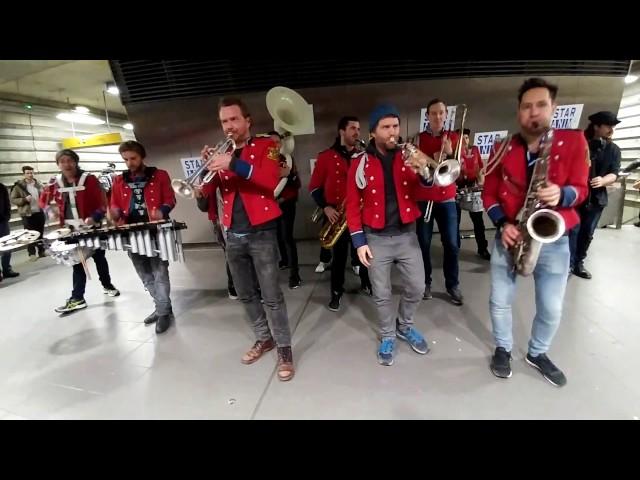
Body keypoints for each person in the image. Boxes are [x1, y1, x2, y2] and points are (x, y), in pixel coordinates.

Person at [482, 77, 589, 387]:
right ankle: (502, 348)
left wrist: (562, 194)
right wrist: (503, 224)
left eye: (541, 105)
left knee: (552, 308)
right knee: (499, 300)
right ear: (518, 112)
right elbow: (488, 194)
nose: (534, 113)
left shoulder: (573, 141)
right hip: (510, 235)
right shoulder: (504, 147)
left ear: (553, 108)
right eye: (527, 106)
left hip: (552, 240)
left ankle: (537, 353)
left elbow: (582, 190)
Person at [201, 97, 295, 381]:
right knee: (245, 293)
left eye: (234, 119)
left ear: (247, 120)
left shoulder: (267, 145)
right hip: (233, 233)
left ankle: (285, 350)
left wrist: (232, 162)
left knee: (272, 297)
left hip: (262, 232)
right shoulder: (222, 153)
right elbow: (211, 191)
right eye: (224, 121)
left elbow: (268, 180)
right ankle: (263, 338)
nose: (229, 126)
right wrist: (206, 171)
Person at [347, 104, 432, 366]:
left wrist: (426, 173)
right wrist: (359, 242)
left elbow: (428, 188)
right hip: (376, 237)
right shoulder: (360, 163)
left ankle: (404, 326)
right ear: (373, 133)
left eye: (395, 126)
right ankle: (387, 335)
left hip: (407, 235)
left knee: (418, 287)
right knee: (381, 293)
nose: (393, 132)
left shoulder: (410, 156)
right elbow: (352, 205)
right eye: (386, 127)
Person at [39, 149, 120, 313]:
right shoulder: (55, 182)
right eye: (62, 161)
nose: (66, 164)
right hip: (69, 230)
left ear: (76, 162)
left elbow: (103, 203)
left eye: (70, 161)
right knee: (77, 262)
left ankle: (107, 284)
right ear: (58, 164)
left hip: (92, 227)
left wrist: (94, 217)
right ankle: (78, 297)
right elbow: (43, 200)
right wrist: (48, 210)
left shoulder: (89, 179)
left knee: (99, 258)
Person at [110, 141, 176, 334]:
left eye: (133, 158)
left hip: (156, 231)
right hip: (131, 232)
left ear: (142, 157)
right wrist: (113, 213)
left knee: (160, 272)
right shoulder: (118, 180)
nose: (129, 163)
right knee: (144, 274)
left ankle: (163, 312)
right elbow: (114, 204)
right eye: (125, 159)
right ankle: (162, 306)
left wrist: (162, 211)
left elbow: (170, 199)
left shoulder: (160, 175)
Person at [308, 116, 372, 312]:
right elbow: (314, 187)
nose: (357, 132)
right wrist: (326, 207)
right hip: (337, 213)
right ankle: (336, 292)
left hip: (359, 213)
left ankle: (366, 283)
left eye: (358, 129)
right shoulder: (326, 156)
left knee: (364, 253)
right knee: (339, 257)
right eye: (352, 128)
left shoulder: (363, 156)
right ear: (341, 131)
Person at [416, 99, 463, 305]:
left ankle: (452, 285)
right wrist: (429, 160)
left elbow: (461, 171)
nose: (437, 117)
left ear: (446, 115)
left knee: (452, 244)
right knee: (423, 243)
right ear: (427, 116)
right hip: (425, 198)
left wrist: (450, 154)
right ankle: (425, 282)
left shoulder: (454, 137)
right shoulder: (418, 139)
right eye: (433, 113)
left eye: (441, 113)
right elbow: (415, 171)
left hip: (447, 198)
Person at [569, 111, 621, 279]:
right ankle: (568, 263)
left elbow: (614, 173)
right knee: (572, 231)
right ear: (596, 126)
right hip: (576, 197)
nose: (611, 130)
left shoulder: (614, 149)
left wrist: (603, 180)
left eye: (613, 127)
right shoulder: (580, 143)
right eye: (608, 126)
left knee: (587, 233)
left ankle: (578, 263)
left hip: (597, 199)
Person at [270, 131, 302, 289]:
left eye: (278, 142)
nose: (276, 145)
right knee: (277, 236)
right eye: (272, 142)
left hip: (286, 204)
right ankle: (284, 260)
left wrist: (290, 175)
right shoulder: (263, 161)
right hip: (270, 206)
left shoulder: (287, 160)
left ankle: (295, 274)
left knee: (287, 237)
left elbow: (296, 185)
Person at [455, 129, 491, 260]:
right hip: (457, 188)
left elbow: (481, 167)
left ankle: (483, 249)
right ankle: (455, 249)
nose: (465, 140)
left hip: (473, 187)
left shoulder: (475, 149)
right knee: (455, 222)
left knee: (478, 222)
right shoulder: (454, 152)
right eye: (461, 138)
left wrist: (481, 180)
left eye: (466, 137)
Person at [11, 166, 46, 260]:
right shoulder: (19, 186)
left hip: (39, 211)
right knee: (29, 235)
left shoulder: (38, 184)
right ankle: (32, 254)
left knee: (40, 232)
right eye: (28, 173)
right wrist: (24, 199)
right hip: (27, 213)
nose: (30, 175)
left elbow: (45, 194)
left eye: (31, 172)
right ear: (24, 174)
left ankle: (42, 251)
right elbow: (13, 199)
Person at [0, 182, 20, 282]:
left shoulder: (1, 187)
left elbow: (7, 202)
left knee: (7, 246)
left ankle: (6, 269)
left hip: (2, 222)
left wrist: (7, 216)